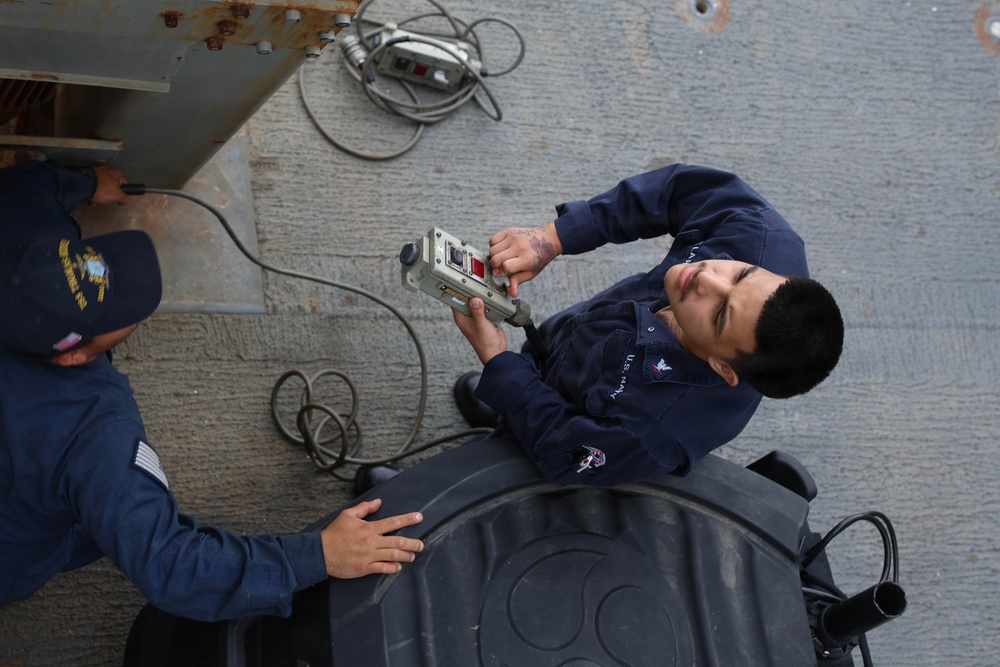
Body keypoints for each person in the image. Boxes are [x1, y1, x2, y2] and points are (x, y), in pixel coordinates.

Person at [0, 159, 424, 622]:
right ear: (72, 355)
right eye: (116, 313)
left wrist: (83, 180)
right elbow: (173, 564)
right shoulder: (93, 436)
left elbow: (20, 187)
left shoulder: (16, 234)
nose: (132, 307)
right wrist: (315, 556)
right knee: (90, 523)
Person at [450, 164, 844, 486]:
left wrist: (496, 360)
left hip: (575, 405)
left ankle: (490, 445)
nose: (704, 278)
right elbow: (675, 191)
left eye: (720, 313)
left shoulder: (655, 430)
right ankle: (510, 397)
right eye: (741, 274)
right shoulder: (762, 235)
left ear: (723, 367)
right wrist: (556, 237)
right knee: (535, 359)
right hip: (587, 328)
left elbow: (563, 445)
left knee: (518, 447)